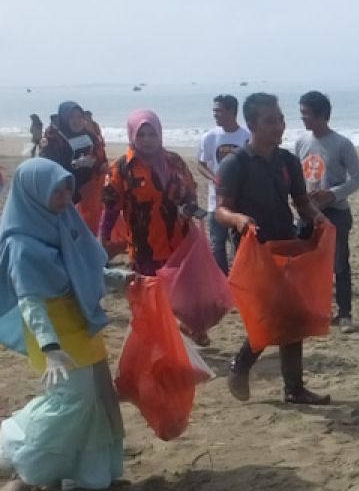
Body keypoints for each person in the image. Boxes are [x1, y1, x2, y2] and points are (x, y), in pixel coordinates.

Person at [0, 158, 135, 491]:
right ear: (33, 194)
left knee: (98, 400)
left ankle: (85, 475)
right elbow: (30, 302)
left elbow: (87, 269)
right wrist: (50, 347)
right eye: (54, 191)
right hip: (52, 331)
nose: (63, 197)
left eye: (66, 189)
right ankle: (19, 455)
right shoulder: (21, 244)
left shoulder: (64, 223)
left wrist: (122, 279)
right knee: (70, 402)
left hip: (81, 323)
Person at [215, 93, 330, 405]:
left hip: (287, 244)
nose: (279, 126)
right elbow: (220, 211)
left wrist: (319, 221)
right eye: (270, 121)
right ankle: (240, 365)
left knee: (292, 313)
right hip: (253, 251)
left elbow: (302, 203)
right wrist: (239, 221)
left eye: (280, 119)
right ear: (252, 125)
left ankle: (294, 389)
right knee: (268, 316)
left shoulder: (288, 162)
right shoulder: (235, 164)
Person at [295, 91, 359, 331]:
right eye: (302, 113)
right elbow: (298, 175)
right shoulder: (301, 142)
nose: (303, 118)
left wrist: (332, 193)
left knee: (339, 265)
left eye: (307, 114)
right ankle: (310, 310)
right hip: (307, 212)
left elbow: (358, 179)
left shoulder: (342, 144)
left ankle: (344, 314)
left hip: (336, 212)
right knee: (304, 264)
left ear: (322, 115)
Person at [99, 110, 201, 276]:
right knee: (152, 298)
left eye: (152, 134)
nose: (147, 140)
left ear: (160, 134)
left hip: (181, 245)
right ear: (132, 135)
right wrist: (103, 240)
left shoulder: (174, 161)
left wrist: (190, 206)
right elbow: (111, 209)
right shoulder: (122, 168)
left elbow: (190, 192)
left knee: (181, 298)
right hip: (146, 251)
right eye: (141, 135)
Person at [197, 95, 250, 274]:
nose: (215, 115)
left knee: (239, 243)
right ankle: (222, 278)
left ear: (232, 111)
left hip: (240, 201)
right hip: (215, 202)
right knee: (216, 243)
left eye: (219, 111)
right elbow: (202, 164)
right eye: (214, 111)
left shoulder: (246, 136)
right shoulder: (210, 137)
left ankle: (238, 276)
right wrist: (213, 177)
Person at [38, 101, 107, 218]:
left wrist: (96, 164)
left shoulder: (89, 135)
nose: (77, 121)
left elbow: (101, 158)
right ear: (64, 119)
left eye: (79, 117)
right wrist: (72, 165)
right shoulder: (53, 140)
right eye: (72, 118)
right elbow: (47, 168)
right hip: (62, 191)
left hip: (87, 190)